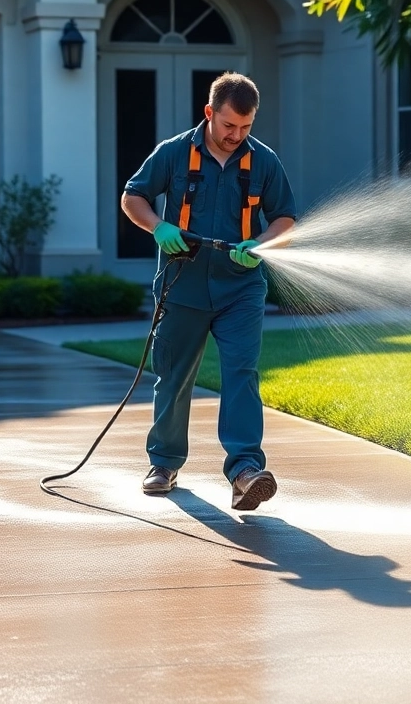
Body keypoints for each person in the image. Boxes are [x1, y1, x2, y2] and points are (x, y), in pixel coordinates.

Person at [120, 72, 296, 511]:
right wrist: (158, 226)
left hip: (241, 289)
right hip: (182, 286)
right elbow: (132, 196)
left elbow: (285, 218)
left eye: (245, 127)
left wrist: (263, 243)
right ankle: (164, 463)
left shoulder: (264, 161)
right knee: (174, 378)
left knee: (241, 374)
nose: (236, 135)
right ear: (209, 113)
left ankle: (245, 472)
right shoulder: (175, 153)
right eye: (228, 126)